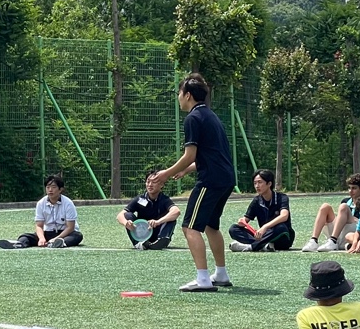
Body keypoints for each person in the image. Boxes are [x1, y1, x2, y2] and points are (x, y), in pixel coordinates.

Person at [157, 74, 235, 292]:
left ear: (188, 95)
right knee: (211, 225)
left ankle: (203, 279)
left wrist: (166, 173)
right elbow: (209, 154)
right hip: (225, 178)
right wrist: (185, 170)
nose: (178, 98)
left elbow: (190, 155)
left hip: (210, 180)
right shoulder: (211, 116)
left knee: (190, 227)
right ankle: (220, 274)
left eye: (179, 93)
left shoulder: (193, 118)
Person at [0, 174, 83, 249]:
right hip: (48, 232)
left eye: (53, 187)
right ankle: (19, 244)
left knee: (77, 236)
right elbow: (39, 226)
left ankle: (60, 243)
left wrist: (56, 239)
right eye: (48, 187)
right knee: (25, 236)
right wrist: (41, 238)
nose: (50, 190)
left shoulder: (68, 203)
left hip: (65, 233)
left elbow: (70, 227)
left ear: (60, 189)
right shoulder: (40, 203)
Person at [229, 169, 294, 252]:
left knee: (281, 227)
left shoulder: (281, 197)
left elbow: (284, 216)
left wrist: (265, 227)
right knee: (233, 229)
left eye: (260, 182)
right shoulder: (256, 201)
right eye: (255, 183)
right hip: (263, 236)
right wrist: (242, 221)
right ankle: (264, 246)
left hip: (281, 237)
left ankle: (252, 247)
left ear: (269, 184)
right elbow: (246, 219)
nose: (257, 186)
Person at [301, 173, 360, 253]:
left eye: (354, 188)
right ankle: (314, 241)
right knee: (325, 207)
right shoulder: (346, 201)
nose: (350, 191)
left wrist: (357, 220)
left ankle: (333, 241)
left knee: (343, 206)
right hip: (341, 233)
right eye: (349, 188)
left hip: (354, 233)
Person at [117, 169, 179, 250]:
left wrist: (158, 222)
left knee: (171, 218)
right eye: (148, 181)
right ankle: (139, 243)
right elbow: (120, 215)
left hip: (158, 232)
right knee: (127, 215)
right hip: (142, 233)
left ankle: (162, 240)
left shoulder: (164, 200)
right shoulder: (139, 199)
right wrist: (127, 223)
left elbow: (176, 211)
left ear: (161, 185)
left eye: (153, 182)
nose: (150, 185)